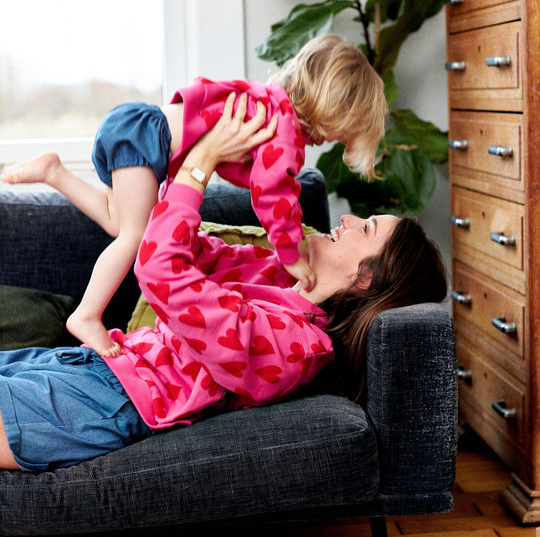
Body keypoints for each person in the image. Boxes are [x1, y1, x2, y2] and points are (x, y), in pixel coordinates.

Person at [0, 94, 446, 473]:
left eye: (364, 229)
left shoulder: (296, 347)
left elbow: (159, 271)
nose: (347, 219)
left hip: (107, 399)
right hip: (92, 363)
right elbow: (182, 244)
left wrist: (203, 162)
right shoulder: (277, 274)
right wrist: (186, 144)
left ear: (364, 278)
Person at [0, 35, 387, 358]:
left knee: (123, 222)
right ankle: (86, 315)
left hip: (135, 131)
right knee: (135, 239)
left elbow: (243, 166)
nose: (333, 141)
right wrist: (292, 254)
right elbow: (273, 194)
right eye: (343, 132)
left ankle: (54, 171)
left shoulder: (266, 103)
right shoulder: (283, 129)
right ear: (332, 107)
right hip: (146, 141)